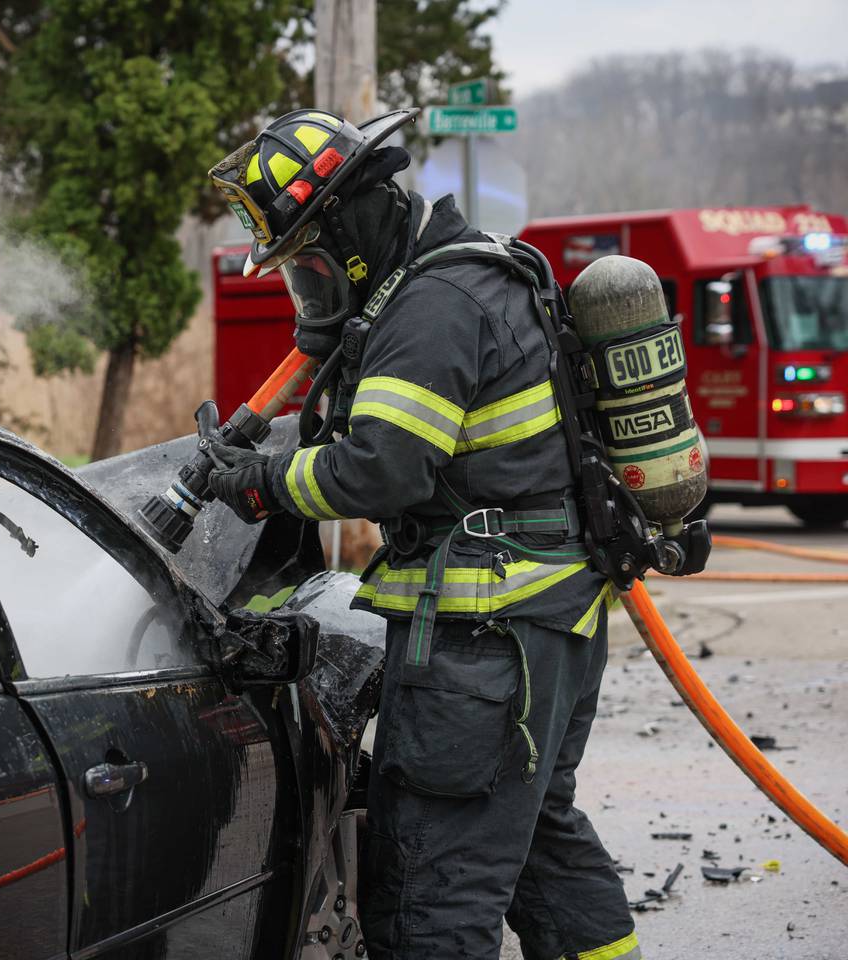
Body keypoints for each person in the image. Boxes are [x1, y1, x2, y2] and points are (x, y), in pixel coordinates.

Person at [205, 107, 640, 960]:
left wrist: (259, 485)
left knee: (428, 894)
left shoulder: (431, 306)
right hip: (544, 622)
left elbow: (380, 472)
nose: (310, 290)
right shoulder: (469, 276)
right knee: (537, 852)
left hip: (485, 643)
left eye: (311, 267)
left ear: (353, 234)